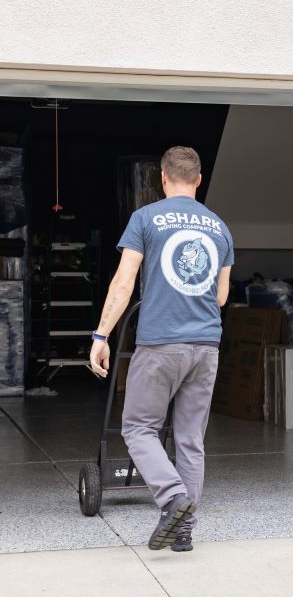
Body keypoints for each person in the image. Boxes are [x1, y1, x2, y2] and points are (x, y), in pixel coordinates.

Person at [89, 146, 234, 552]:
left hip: (160, 342)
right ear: (199, 180)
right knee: (189, 438)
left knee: (138, 427)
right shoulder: (220, 228)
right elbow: (221, 296)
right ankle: (183, 532)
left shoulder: (146, 218)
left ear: (164, 178)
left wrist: (101, 336)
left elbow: (124, 282)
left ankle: (173, 499)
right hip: (206, 345)